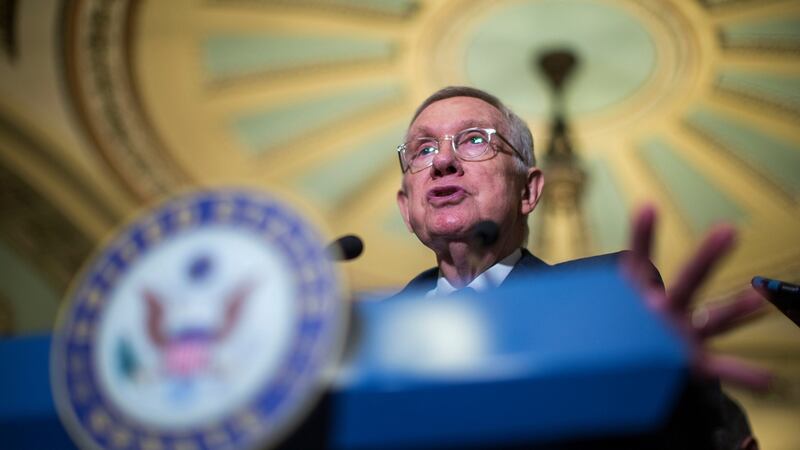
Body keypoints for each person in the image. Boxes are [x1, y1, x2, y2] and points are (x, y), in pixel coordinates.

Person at [392, 86, 771, 449]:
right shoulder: (357, 335)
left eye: (474, 140)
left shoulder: (613, 299)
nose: (442, 161)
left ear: (528, 190)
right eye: (423, 149)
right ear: (406, 209)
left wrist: (667, 386)